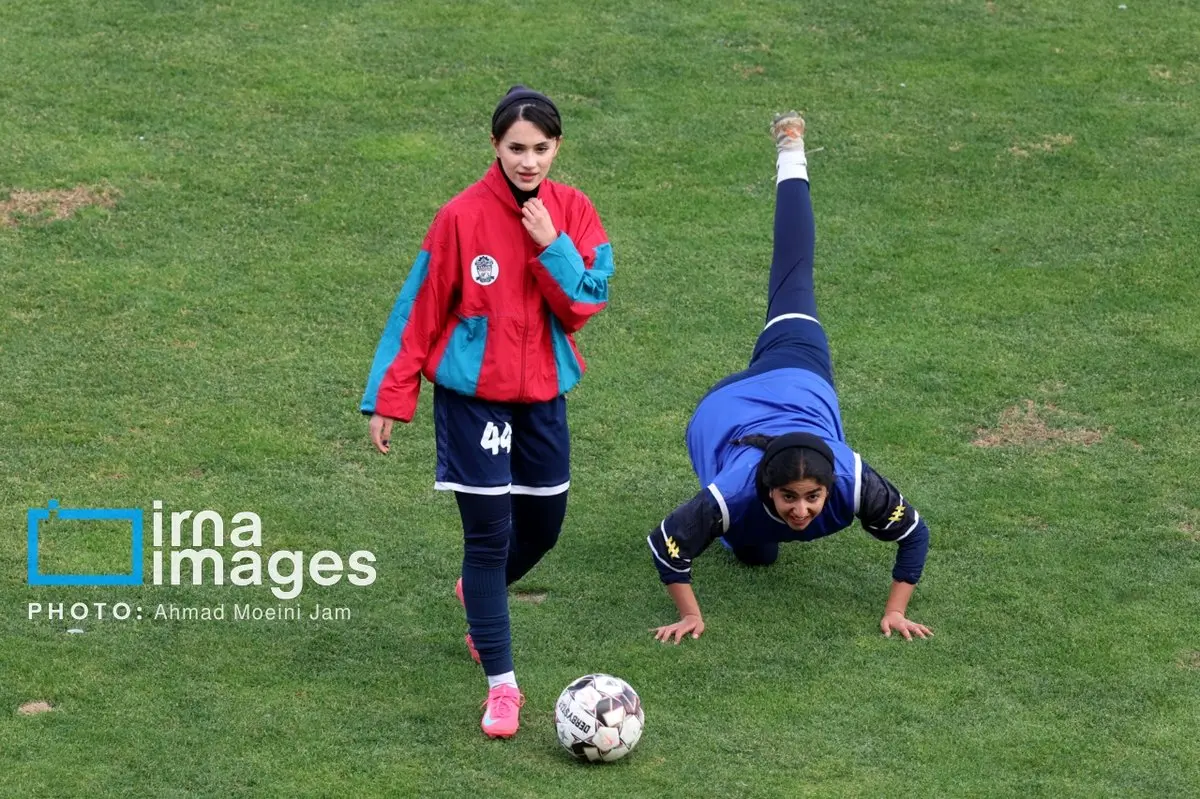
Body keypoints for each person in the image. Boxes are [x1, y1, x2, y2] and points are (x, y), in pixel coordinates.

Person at [361, 86, 613, 738]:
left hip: (544, 398)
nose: (528, 161)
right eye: (516, 148)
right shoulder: (459, 217)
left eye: (540, 148)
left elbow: (586, 304)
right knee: (487, 538)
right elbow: (419, 309)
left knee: (544, 528)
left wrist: (552, 244)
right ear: (495, 145)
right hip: (473, 402)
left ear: (557, 146)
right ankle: (503, 687)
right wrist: (390, 396)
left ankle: (478, 595)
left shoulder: (574, 211)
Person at [647, 112, 932, 645]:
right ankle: (790, 149)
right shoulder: (736, 488)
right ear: (766, 487)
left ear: (831, 486)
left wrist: (895, 610)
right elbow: (667, 543)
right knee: (756, 553)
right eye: (789, 497)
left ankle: (791, 150)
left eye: (812, 497)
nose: (802, 509)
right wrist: (690, 615)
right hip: (730, 411)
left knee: (758, 555)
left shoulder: (856, 481)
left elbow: (914, 534)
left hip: (793, 385)